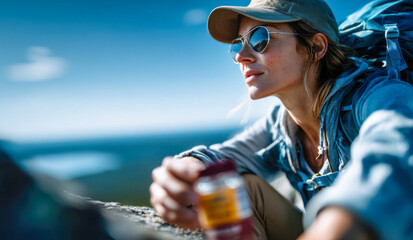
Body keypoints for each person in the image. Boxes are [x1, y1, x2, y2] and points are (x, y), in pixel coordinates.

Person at [149, 0, 413, 239]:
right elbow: (225, 158)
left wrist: (338, 226)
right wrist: (184, 174)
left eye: (259, 38)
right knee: (238, 189)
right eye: (237, 44)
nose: (242, 56)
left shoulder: (378, 96)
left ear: (316, 47)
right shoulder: (282, 125)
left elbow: (392, 154)